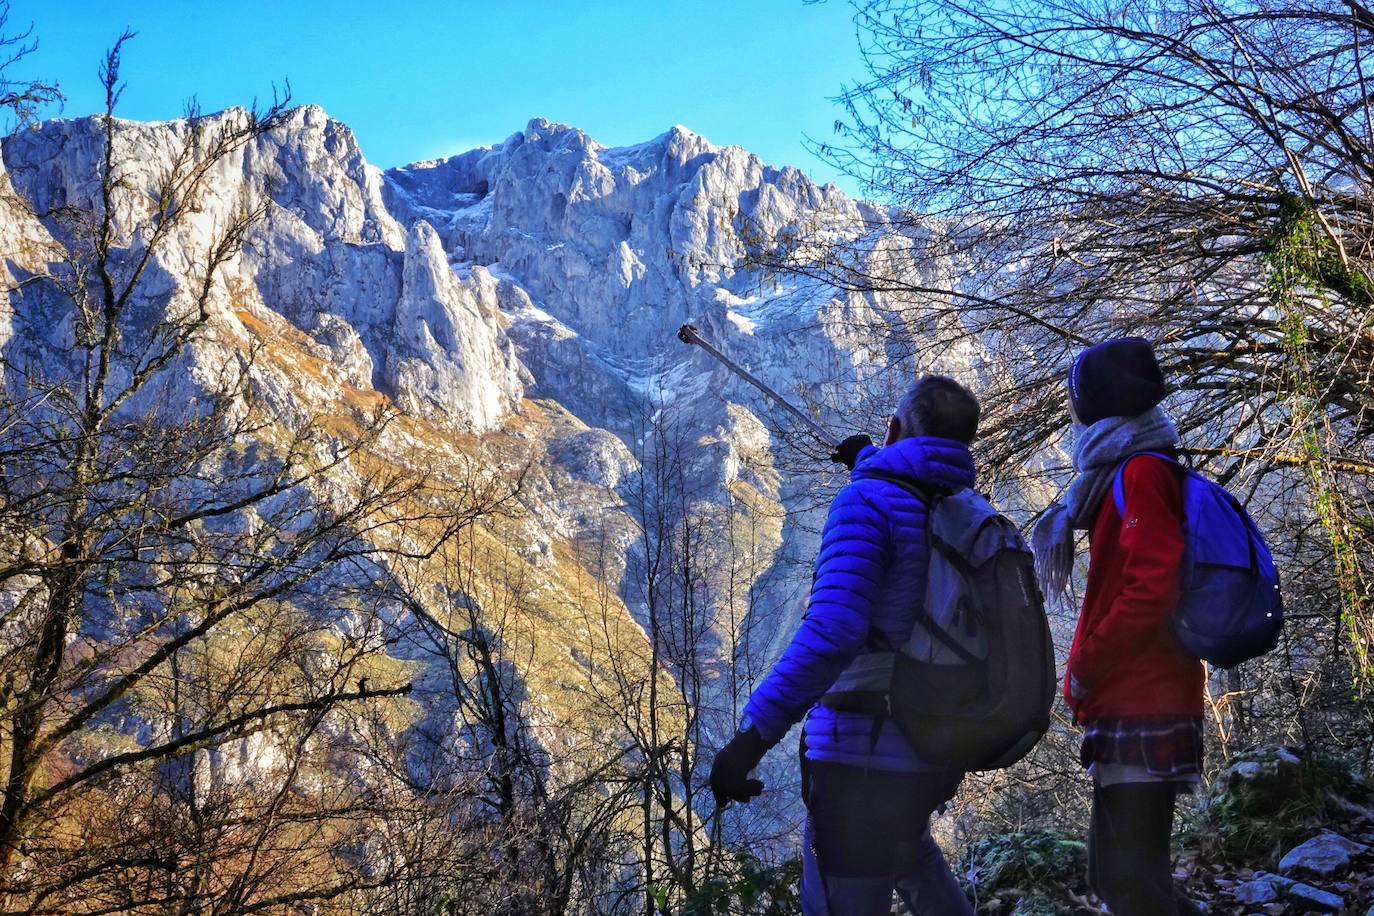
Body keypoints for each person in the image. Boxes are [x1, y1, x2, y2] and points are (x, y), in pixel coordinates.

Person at [708, 375, 980, 916]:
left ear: (894, 427)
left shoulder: (868, 502)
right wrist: (870, 461)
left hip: (860, 753)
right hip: (936, 747)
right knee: (912, 857)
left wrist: (751, 738)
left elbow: (833, 632)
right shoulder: (970, 512)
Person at [1032, 337, 1207, 916]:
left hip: (1142, 696)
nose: (1070, 408)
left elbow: (1149, 588)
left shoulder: (1139, 474)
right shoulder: (1123, 471)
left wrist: (1087, 665)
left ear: (1100, 401)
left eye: (1075, 396)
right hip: (1136, 695)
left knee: (1131, 883)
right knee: (1119, 876)